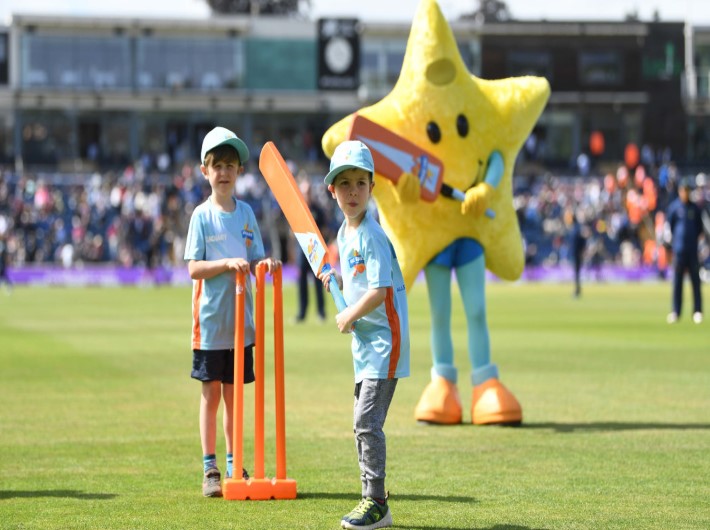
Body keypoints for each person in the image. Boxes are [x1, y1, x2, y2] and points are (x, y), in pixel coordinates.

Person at [184, 126, 281, 497]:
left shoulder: (246, 215)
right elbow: (194, 268)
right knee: (210, 396)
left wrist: (267, 266)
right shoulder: (202, 217)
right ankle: (210, 467)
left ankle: (232, 461)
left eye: (230, 165)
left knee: (233, 397)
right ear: (204, 171)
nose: (223, 172)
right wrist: (226, 263)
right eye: (216, 165)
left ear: (239, 171)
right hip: (210, 325)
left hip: (242, 326)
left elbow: (255, 259)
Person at [318, 141, 410, 530]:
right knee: (362, 422)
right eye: (344, 184)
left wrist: (348, 314)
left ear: (372, 187)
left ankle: (376, 502)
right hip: (365, 344)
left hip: (384, 344)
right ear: (332, 190)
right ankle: (369, 498)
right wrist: (335, 284)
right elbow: (358, 285)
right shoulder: (344, 230)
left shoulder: (370, 233)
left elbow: (380, 291)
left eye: (360, 183)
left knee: (366, 423)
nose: (352, 192)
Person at [666, 177, 704, 324]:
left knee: (695, 282)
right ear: (680, 191)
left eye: (687, 190)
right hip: (679, 252)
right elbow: (670, 227)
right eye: (683, 190)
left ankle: (697, 310)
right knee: (677, 283)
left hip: (692, 251)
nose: (685, 193)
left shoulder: (695, 209)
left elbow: (699, 230)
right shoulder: (674, 208)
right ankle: (676, 311)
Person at [294, 171, 327, 323]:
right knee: (301, 281)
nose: (306, 194)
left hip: (316, 251)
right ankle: (302, 313)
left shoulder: (317, 209)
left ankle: (321, 312)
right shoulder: (297, 209)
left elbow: (325, 229)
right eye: (304, 191)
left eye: (308, 191)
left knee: (319, 281)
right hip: (302, 251)